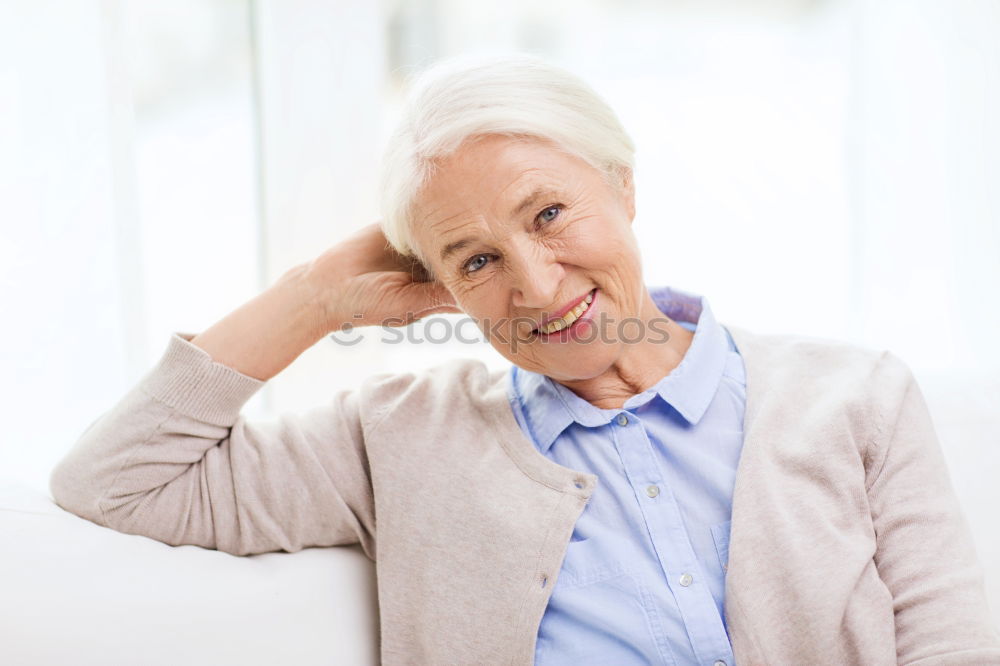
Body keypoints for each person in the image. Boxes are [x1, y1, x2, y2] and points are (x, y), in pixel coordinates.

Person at [50, 54, 1000, 665]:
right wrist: (316, 297)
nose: (539, 288)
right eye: (476, 261)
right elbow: (116, 481)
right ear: (439, 288)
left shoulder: (857, 396)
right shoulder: (397, 439)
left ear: (622, 187)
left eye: (549, 214)